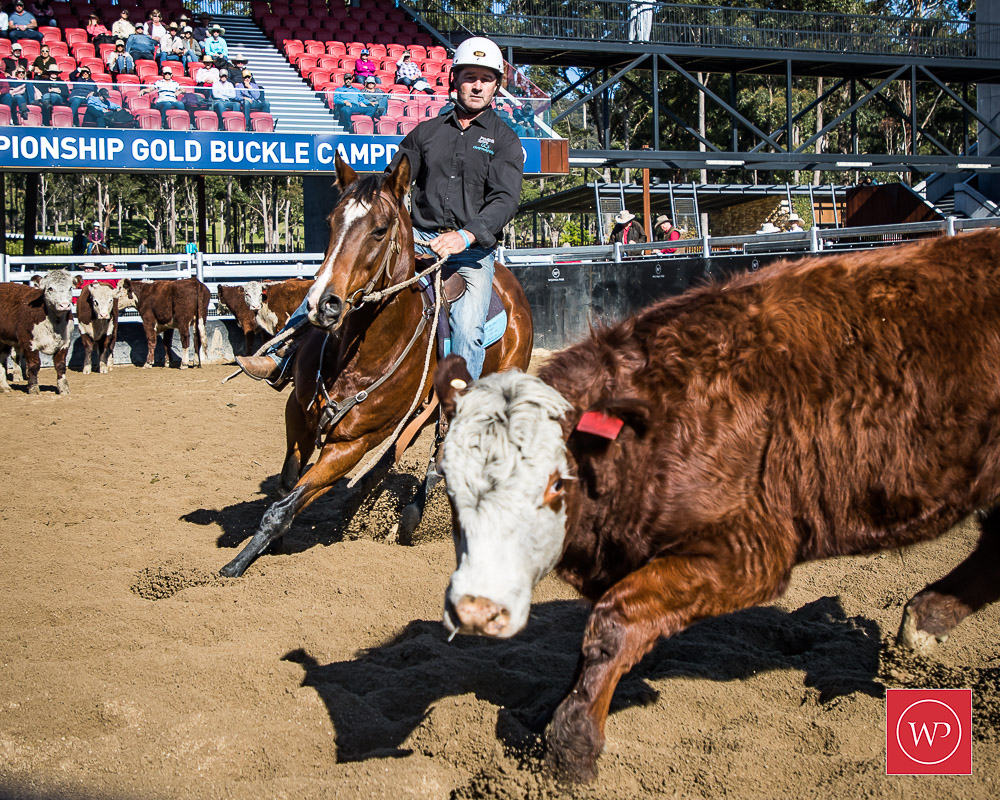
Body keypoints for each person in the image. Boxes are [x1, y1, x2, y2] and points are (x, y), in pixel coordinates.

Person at [236, 36, 522, 385]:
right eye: (469, 76)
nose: (477, 86)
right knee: (336, 277)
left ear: (496, 85)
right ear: (454, 79)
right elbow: (392, 184)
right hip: (418, 238)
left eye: (486, 79)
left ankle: (460, 408)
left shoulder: (505, 140)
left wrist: (465, 235)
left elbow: (505, 200)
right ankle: (281, 356)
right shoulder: (426, 133)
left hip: (470, 253)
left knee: (467, 327)